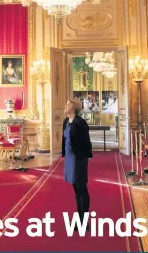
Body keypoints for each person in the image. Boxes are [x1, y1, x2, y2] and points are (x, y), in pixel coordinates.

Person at [62, 98, 93, 229]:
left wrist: (86, 156)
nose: (65, 106)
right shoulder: (65, 122)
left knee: (81, 188)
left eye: (68, 104)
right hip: (69, 157)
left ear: (74, 108)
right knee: (75, 189)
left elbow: (86, 141)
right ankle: (78, 220)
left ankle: (84, 222)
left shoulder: (81, 123)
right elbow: (65, 140)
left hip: (78, 158)